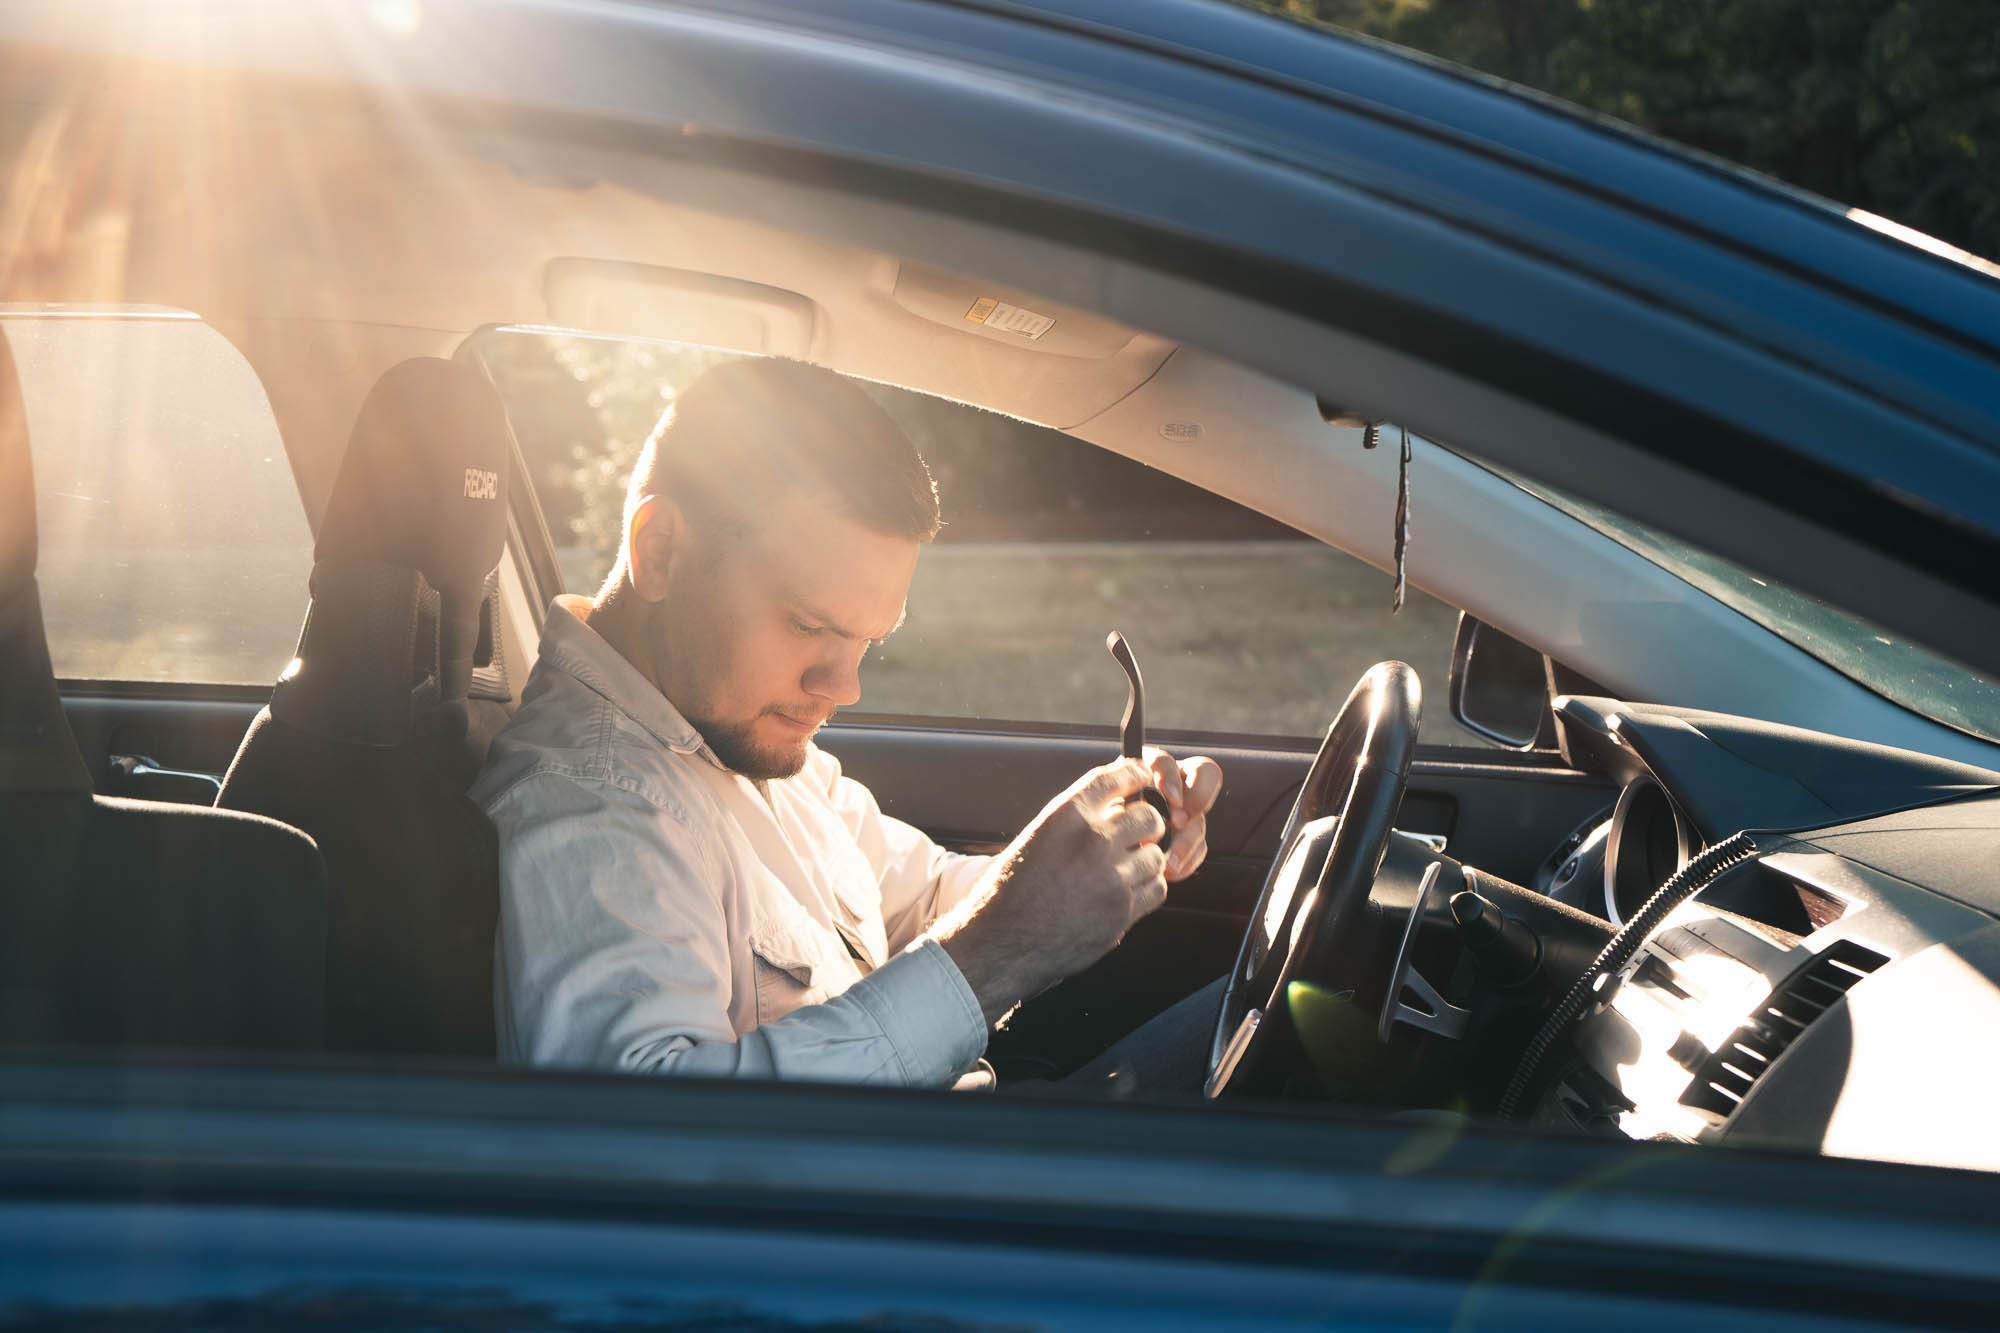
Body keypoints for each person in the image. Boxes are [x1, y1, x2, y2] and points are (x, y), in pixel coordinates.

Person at [473, 358, 1223, 1091]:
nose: (844, 686)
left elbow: (924, 895)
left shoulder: (740, 735)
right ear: (661, 550)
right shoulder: (594, 806)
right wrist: (993, 956)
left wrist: (1102, 850)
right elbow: (641, 1145)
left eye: (869, 642)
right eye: (807, 623)